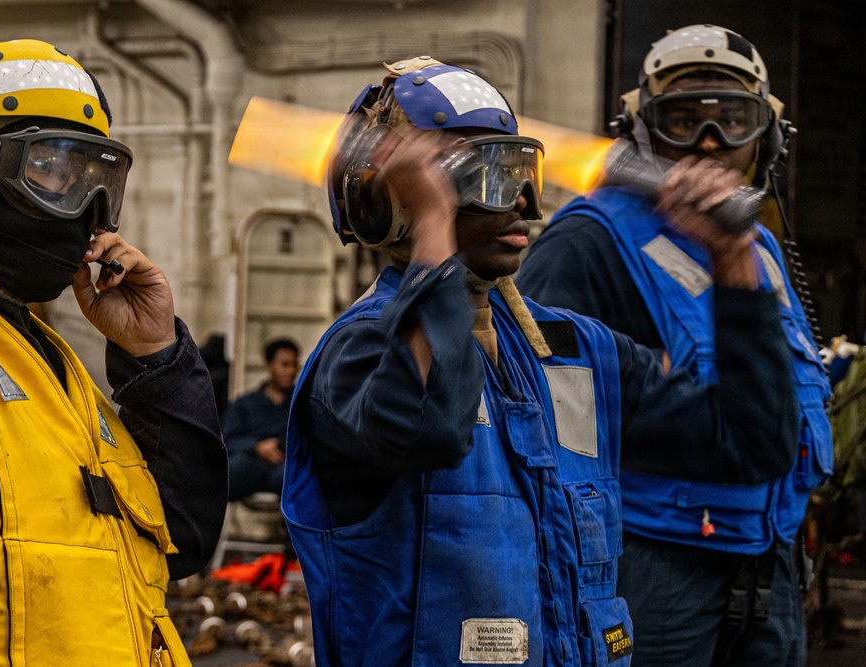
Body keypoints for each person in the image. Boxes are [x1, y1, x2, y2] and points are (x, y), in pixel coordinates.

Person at [281, 55, 800, 667]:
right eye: (484, 177)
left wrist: (732, 258)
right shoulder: (357, 357)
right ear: (393, 202)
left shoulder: (578, 352)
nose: (523, 203)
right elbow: (430, 425)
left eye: (523, 171)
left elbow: (750, 443)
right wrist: (433, 240)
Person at [0, 36, 227, 666]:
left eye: (98, 178)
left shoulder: (50, 365)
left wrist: (154, 359)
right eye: (51, 171)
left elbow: (183, 541)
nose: (87, 212)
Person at [516, 25, 832, 667]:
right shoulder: (586, 245)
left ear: (766, 138)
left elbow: (778, 410)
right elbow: (544, 422)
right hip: (652, 573)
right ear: (641, 131)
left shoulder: (758, 250)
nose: (709, 142)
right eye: (682, 120)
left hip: (770, 571)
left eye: (732, 120)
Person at [223, 337, 299, 500]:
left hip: (286, 466)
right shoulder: (244, 403)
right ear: (269, 366)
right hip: (250, 464)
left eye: (294, 365)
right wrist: (257, 447)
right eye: (285, 365)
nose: (291, 371)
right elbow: (227, 441)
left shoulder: (302, 403)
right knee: (227, 472)